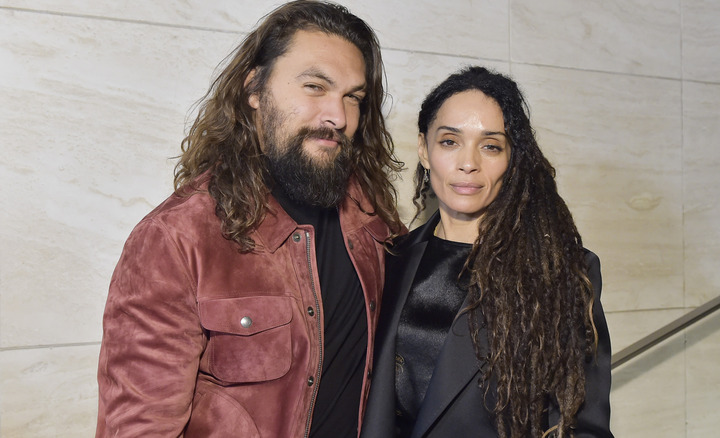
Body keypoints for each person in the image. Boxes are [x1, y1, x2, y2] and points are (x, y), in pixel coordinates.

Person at [95, 1, 404, 437]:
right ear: (255, 89)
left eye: (353, 97)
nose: (338, 115)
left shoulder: (371, 219)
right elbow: (139, 427)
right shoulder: (176, 239)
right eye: (315, 86)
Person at [361, 66, 613, 438]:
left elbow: (582, 425)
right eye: (449, 141)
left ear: (512, 160)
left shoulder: (559, 270)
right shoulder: (388, 258)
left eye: (491, 145)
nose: (469, 163)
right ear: (424, 150)